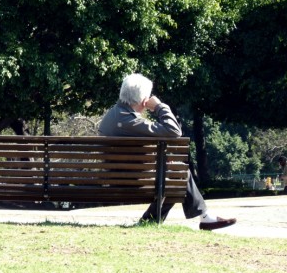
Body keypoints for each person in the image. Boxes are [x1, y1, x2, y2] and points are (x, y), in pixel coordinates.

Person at [98, 73, 236, 231]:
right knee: (179, 173)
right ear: (144, 100)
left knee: (176, 175)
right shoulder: (129, 121)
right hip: (132, 182)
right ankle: (205, 218)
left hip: (116, 178)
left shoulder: (112, 116)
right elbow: (174, 131)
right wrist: (160, 107)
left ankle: (152, 221)